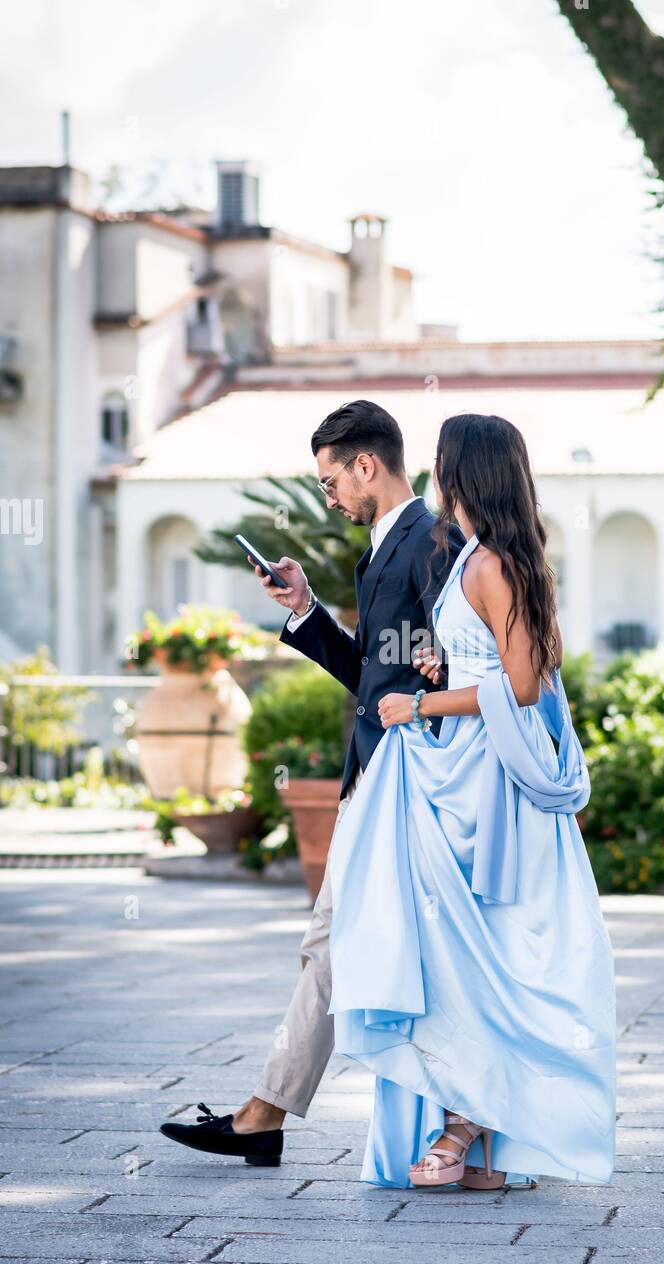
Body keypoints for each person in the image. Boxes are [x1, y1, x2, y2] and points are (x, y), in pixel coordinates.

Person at [159, 400, 464, 1166]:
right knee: (327, 944)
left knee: (342, 945)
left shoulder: (436, 542)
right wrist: (307, 611)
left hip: (411, 783)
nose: (329, 496)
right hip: (374, 780)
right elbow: (371, 674)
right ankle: (266, 1116)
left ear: (369, 465)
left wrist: (439, 674)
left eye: (332, 481)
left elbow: (470, 654)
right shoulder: (381, 550)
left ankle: (273, 1117)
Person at [324, 412, 617, 1190]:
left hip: (484, 780)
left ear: (466, 471)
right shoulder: (477, 561)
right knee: (455, 950)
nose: (433, 471)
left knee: (474, 952)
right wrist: (438, 667)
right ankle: (476, 1127)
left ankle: (467, 1123)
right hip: (460, 769)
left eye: (443, 460)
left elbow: (521, 684)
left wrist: (422, 708)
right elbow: (490, 660)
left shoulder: (491, 563)